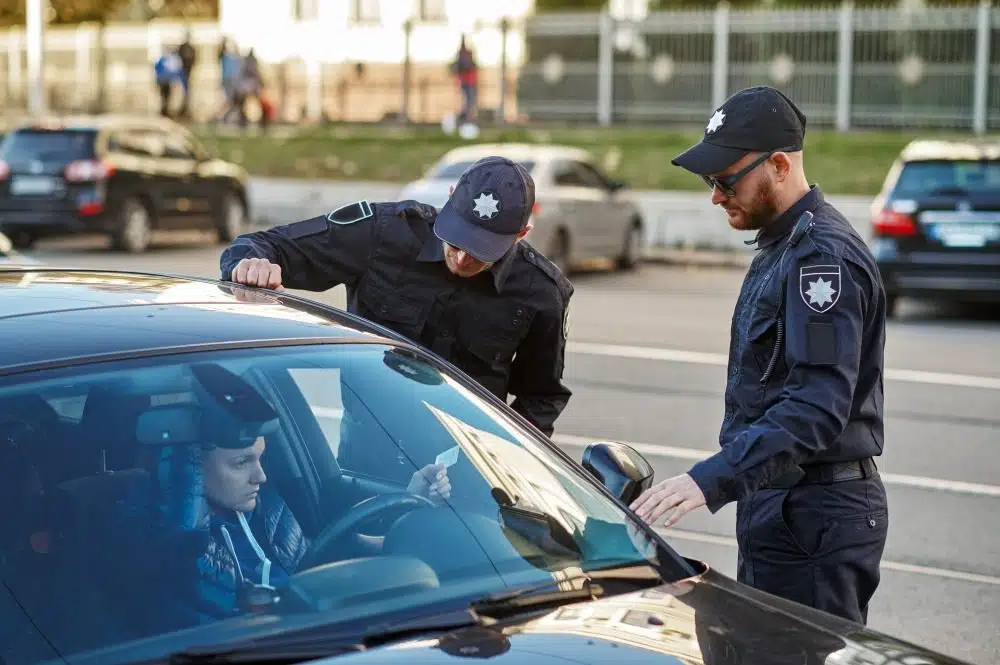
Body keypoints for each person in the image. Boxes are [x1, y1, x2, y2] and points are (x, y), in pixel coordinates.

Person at [629, 86, 889, 625]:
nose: (716, 196)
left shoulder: (821, 260)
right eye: (709, 181)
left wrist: (712, 478)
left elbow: (817, 407)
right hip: (785, 508)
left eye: (725, 180)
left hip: (813, 518)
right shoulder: (783, 244)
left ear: (777, 165)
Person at [219, 157, 574, 442]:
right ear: (449, 197)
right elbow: (265, 244)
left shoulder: (541, 292)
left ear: (522, 234)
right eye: (457, 241)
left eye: (482, 252)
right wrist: (250, 265)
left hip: (470, 464)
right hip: (371, 446)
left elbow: (542, 396)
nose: (463, 259)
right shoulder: (383, 233)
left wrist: (509, 453)